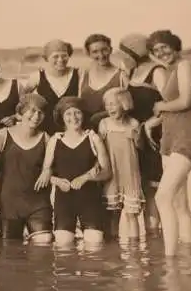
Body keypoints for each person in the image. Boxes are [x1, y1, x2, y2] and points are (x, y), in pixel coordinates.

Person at [147, 29, 191, 257]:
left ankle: (169, 259)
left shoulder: (184, 66)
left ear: (174, 46)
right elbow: (173, 108)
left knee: (163, 197)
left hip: (186, 140)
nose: (161, 53)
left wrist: (160, 106)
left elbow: (186, 101)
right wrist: (153, 122)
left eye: (164, 47)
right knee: (180, 205)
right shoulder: (170, 70)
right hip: (169, 141)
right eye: (156, 50)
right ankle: (186, 260)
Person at [41, 96, 111, 247]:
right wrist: (58, 181)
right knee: (63, 246)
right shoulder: (55, 141)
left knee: (95, 245)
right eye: (68, 114)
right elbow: (45, 174)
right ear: (62, 117)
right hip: (64, 201)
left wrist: (86, 178)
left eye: (77, 113)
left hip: (89, 200)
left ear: (83, 115)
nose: (73, 117)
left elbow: (107, 172)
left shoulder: (93, 139)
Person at [119, 34, 167, 235]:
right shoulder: (130, 72)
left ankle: (155, 242)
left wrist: (151, 124)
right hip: (135, 138)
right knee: (137, 192)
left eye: (125, 54)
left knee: (153, 192)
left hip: (154, 138)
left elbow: (172, 106)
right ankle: (145, 248)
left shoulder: (157, 72)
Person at [0, 94, 53, 244]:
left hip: (37, 202)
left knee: (44, 245)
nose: (36, 116)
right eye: (32, 110)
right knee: (10, 253)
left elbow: (54, 166)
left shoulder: (46, 138)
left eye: (41, 112)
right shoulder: (3, 135)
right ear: (20, 113)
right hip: (9, 203)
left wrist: (48, 171)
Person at [98, 87, 144, 241]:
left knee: (132, 214)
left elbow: (141, 147)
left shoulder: (133, 123)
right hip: (112, 172)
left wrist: (136, 138)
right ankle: (112, 245)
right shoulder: (104, 124)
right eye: (107, 105)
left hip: (130, 172)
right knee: (112, 212)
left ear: (124, 104)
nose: (109, 108)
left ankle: (134, 248)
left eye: (113, 104)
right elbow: (99, 149)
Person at [22, 40, 80, 135]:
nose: (60, 60)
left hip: (72, 129)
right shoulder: (37, 76)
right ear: (46, 58)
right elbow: (23, 101)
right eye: (55, 56)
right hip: (44, 130)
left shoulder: (78, 74)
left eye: (64, 55)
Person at [79, 34, 128, 130]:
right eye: (95, 52)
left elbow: (127, 107)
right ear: (88, 53)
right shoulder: (83, 74)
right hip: (86, 130)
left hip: (112, 130)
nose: (101, 55)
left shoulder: (121, 75)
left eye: (104, 50)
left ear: (110, 50)